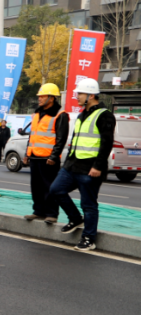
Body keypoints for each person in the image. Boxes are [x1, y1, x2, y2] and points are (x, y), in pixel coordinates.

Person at [47, 78, 115, 251]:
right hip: (72, 165)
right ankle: (76, 218)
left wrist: (98, 167)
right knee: (56, 190)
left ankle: (88, 238)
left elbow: (106, 143)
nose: (77, 96)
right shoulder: (82, 114)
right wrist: (67, 162)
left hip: (90, 168)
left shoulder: (104, 115)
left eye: (80, 94)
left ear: (91, 95)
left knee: (89, 204)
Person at [22, 83, 70, 225]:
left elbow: (61, 139)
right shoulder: (37, 114)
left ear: (52, 98)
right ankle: (38, 211)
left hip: (48, 158)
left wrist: (54, 156)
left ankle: (51, 213)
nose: (39, 99)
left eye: (43, 96)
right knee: (36, 186)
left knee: (49, 187)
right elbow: (33, 136)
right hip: (35, 155)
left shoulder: (60, 115)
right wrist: (27, 153)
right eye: (39, 96)